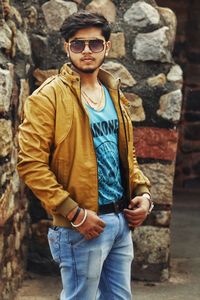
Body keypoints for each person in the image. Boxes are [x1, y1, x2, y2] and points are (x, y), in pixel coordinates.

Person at [17, 10, 153, 300]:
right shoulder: (47, 98)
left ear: (107, 46)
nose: (87, 51)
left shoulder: (114, 91)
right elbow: (31, 165)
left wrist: (143, 193)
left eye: (95, 43)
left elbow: (125, 154)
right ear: (67, 47)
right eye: (78, 44)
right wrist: (74, 213)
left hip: (120, 220)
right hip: (81, 226)